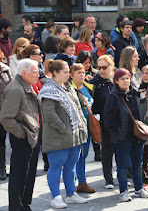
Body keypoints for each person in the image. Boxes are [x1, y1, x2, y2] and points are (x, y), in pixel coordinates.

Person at [39, 59, 88, 208]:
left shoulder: (68, 87)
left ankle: (71, 194)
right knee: (56, 166)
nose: (68, 75)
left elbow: (78, 108)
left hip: (73, 135)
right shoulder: (48, 90)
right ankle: (55, 197)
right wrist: (64, 128)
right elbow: (50, 114)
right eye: (65, 72)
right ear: (55, 73)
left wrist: (81, 126)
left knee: (70, 165)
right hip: (58, 137)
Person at [104, 68, 148, 201]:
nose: (125, 81)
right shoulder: (113, 97)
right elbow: (108, 119)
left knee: (137, 164)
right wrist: (117, 133)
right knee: (123, 165)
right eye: (122, 79)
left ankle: (138, 189)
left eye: (127, 78)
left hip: (138, 136)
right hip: (122, 137)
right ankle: (123, 191)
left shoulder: (135, 94)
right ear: (116, 81)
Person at [0, 58, 41, 210]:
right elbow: (6, 118)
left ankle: (24, 204)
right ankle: (16, 206)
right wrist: (22, 133)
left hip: (31, 136)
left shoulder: (26, 85)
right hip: (23, 138)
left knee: (28, 174)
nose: (38, 75)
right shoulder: (15, 89)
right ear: (24, 73)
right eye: (34, 72)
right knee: (19, 175)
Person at [89, 54, 115, 189]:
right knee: (107, 152)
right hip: (104, 123)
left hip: (119, 122)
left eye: (104, 67)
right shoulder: (94, 82)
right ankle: (109, 179)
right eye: (99, 67)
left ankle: (124, 176)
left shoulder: (117, 79)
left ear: (111, 66)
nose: (101, 70)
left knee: (122, 152)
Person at [69, 63, 96, 193]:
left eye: (83, 72)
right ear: (71, 75)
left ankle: (82, 182)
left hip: (88, 127)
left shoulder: (88, 87)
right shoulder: (69, 89)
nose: (82, 75)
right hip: (76, 128)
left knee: (83, 155)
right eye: (78, 73)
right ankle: (72, 183)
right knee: (75, 156)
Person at [0, 49, 13, 180]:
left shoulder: (5, 69)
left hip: (6, 111)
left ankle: (3, 167)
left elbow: (12, 87)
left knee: (3, 141)